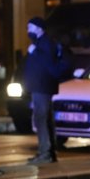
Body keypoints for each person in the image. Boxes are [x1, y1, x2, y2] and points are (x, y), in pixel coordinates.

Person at [24, 16, 68, 164]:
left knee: (41, 119)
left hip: (42, 87)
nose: (28, 30)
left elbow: (48, 63)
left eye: (30, 27)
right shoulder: (39, 43)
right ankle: (48, 152)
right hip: (40, 87)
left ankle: (46, 152)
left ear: (39, 28)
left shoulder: (45, 43)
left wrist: (34, 52)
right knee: (45, 119)